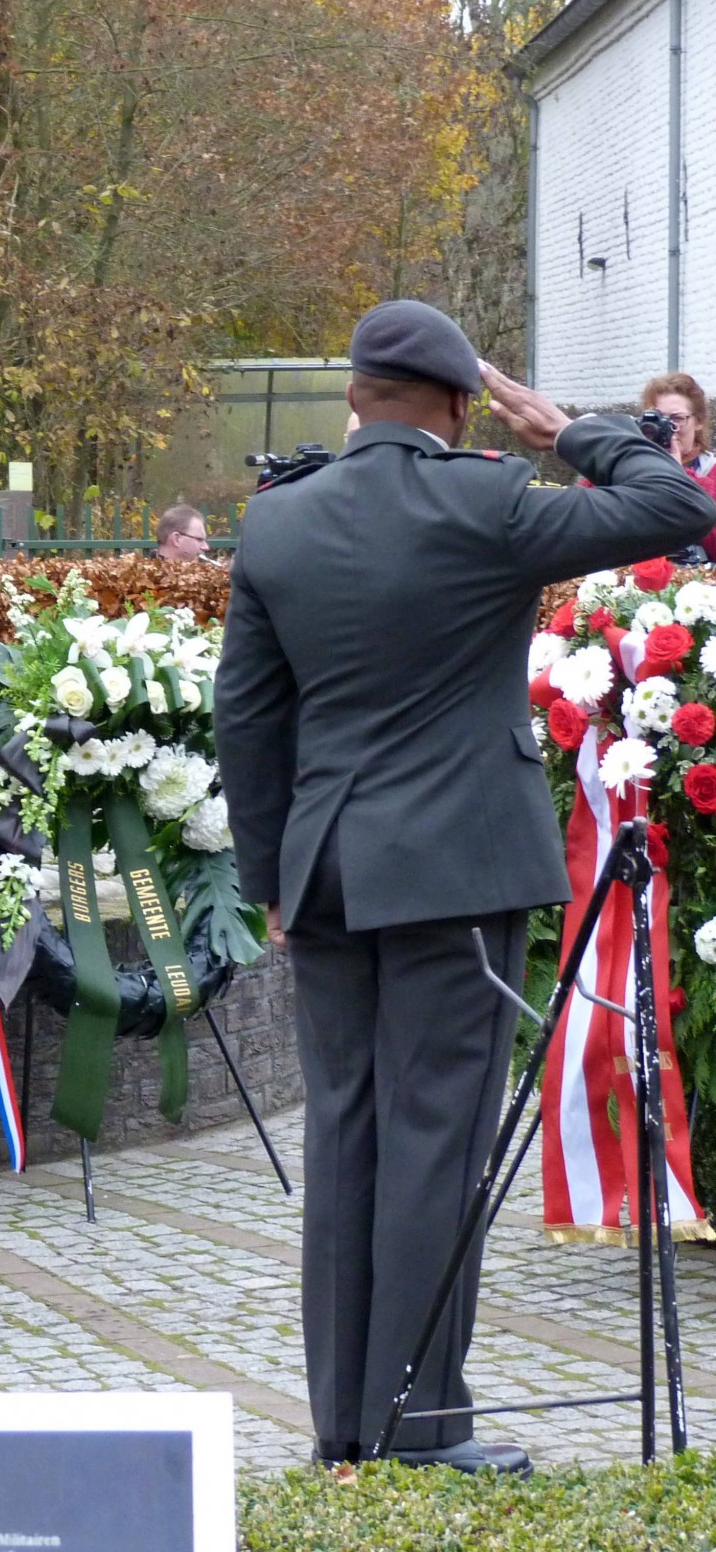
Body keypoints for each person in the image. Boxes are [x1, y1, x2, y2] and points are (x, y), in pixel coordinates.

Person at [214, 299, 716, 1478]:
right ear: (456, 405)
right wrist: (570, 430)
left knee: (345, 1135)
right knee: (434, 1137)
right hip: (451, 869)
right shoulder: (485, 499)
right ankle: (421, 1422)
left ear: (351, 397)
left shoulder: (275, 523)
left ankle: (342, 1420)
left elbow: (247, 713)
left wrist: (266, 871)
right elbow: (681, 506)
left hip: (325, 866)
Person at [639, 373, 716, 561]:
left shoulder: (710, 469)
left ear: (699, 421)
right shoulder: (634, 464)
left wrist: (678, 475)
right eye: (658, 419)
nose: (668, 428)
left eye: (677, 419)